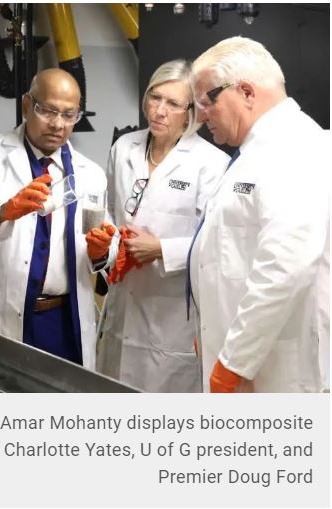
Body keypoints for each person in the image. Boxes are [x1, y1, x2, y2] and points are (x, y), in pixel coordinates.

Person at [0, 68, 111, 369]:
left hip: (64, 320)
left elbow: (103, 237)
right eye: (48, 111)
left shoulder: (90, 173)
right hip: (3, 314)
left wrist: (102, 253)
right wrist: (3, 212)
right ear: (27, 106)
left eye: (69, 115)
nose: (58, 124)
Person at [189, 36, 329, 392]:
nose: (201, 115)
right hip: (245, 356)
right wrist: (211, 333)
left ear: (247, 92)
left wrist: (234, 360)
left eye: (207, 100)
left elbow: (286, 264)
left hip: (278, 373)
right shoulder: (255, 152)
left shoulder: (295, 147)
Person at [91, 60, 229, 392]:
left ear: (190, 112)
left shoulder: (211, 163)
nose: (160, 111)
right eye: (155, 98)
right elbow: (111, 212)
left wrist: (162, 249)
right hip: (122, 299)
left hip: (171, 314)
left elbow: (216, 240)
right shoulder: (124, 148)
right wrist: (106, 248)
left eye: (173, 104)